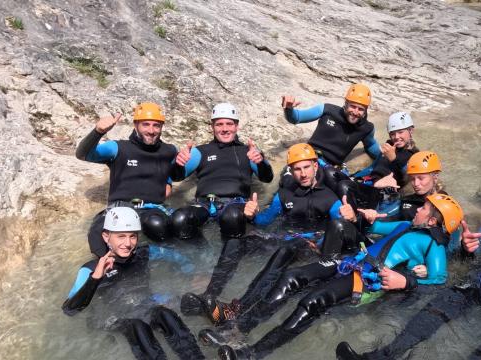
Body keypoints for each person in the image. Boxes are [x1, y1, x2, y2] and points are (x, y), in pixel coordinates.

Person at [336, 166, 481, 360]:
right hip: (480, 280)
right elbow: (475, 254)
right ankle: (381, 357)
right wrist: (466, 247)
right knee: (433, 311)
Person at [213, 193, 464, 360]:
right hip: (350, 262)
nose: (418, 208)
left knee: (313, 301)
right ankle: (238, 330)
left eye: (424, 208)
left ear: (432, 221)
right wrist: (362, 216)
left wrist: (407, 281)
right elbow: (374, 228)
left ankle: (252, 353)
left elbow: (440, 281)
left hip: (368, 282)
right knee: (291, 277)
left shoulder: (435, 248)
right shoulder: (406, 225)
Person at [179, 143, 357, 317]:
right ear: (290, 170)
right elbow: (264, 221)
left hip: (309, 245)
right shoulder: (284, 195)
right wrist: (251, 214)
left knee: (285, 250)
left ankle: (238, 309)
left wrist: (350, 217)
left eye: (306, 167)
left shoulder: (329, 198)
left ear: (315, 166)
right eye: (297, 169)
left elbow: (338, 234)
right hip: (284, 239)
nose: (303, 174)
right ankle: (209, 295)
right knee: (235, 243)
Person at [61, 207, 203, 360]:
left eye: (132, 236)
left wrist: (193, 273)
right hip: (115, 318)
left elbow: (177, 257)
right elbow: (70, 310)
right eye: (121, 236)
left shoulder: (144, 254)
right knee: (137, 327)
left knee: (165, 314)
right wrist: (95, 278)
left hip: (145, 305)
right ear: (106, 237)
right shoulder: (91, 269)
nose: (128, 243)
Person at [75, 102, 181, 257]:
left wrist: (169, 182)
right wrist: (97, 132)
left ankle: (156, 260)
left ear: (162, 127)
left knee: (157, 226)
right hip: (119, 208)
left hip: (151, 210)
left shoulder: (169, 151)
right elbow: (82, 155)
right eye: (145, 124)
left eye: (156, 126)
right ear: (136, 125)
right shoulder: (118, 148)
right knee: (98, 239)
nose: (151, 130)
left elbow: (171, 172)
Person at [169, 102, 274, 241]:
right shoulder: (200, 151)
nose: (225, 129)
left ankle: (228, 260)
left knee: (232, 217)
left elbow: (267, 178)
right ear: (212, 127)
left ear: (236, 126)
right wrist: (177, 163)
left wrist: (261, 162)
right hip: (204, 205)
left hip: (235, 205)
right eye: (219, 124)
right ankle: (202, 256)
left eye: (229, 124)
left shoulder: (247, 151)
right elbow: (176, 177)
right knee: (180, 219)